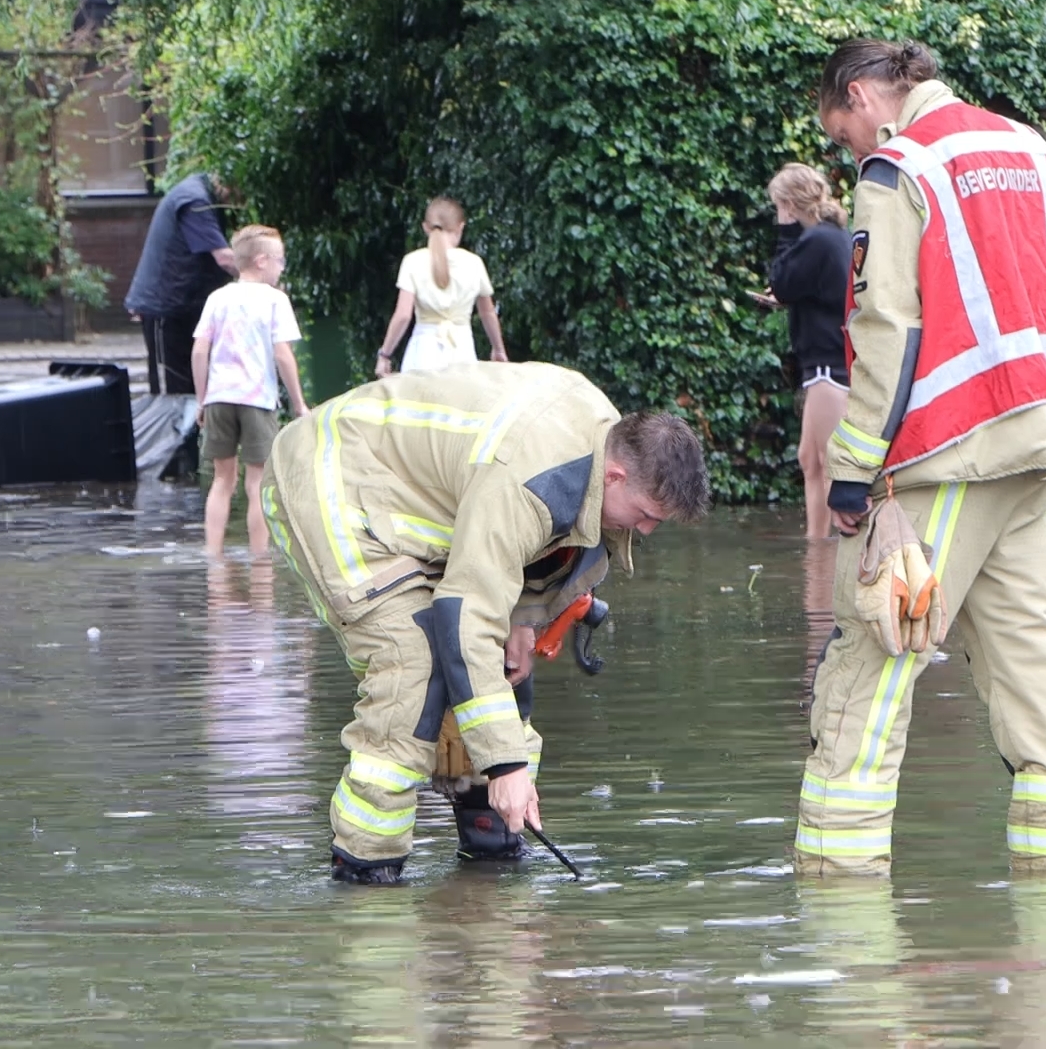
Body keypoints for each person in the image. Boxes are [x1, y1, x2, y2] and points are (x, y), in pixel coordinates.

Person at [795, 39, 1046, 878]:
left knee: (872, 666)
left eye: (843, 129)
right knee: (1035, 666)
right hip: (1039, 439)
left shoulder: (900, 168)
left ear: (862, 94)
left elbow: (886, 329)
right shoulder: (1028, 146)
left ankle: (836, 900)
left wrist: (854, 473)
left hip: (947, 452)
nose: (850, 149)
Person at [260, 363, 710, 883]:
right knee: (415, 664)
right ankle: (366, 873)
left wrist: (522, 621)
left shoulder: (600, 447)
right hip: (332, 478)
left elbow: (524, 550)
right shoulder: (527, 479)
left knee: (497, 668)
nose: (648, 532)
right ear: (615, 475)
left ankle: (489, 845)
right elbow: (466, 616)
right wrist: (507, 765)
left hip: (426, 502)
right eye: (648, 514)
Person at [190, 225, 311, 559]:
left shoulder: (218, 298)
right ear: (262, 261)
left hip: (219, 397)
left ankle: (212, 555)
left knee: (222, 479)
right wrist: (299, 404)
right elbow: (283, 355)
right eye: (279, 260)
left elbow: (200, 351)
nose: (281, 267)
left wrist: (202, 400)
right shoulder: (275, 300)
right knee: (257, 482)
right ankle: (260, 558)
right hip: (257, 400)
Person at [765, 163, 854, 539]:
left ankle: (829, 557)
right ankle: (816, 550)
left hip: (829, 368)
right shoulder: (832, 237)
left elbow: (782, 281)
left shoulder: (816, 239)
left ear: (788, 203)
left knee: (828, 464)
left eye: (778, 207)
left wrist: (786, 231)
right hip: (829, 363)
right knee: (810, 459)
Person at [125, 172, 237, 394]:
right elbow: (224, 257)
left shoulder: (201, 196)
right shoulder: (195, 201)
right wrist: (262, 281)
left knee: (191, 386)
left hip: (184, 306)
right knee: (173, 392)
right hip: (167, 309)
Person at [374, 198, 509, 376]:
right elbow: (487, 313)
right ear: (460, 227)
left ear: (425, 227)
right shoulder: (473, 263)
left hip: (422, 352)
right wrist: (498, 349)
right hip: (462, 350)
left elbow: (403, 315)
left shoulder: (413, 261)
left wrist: (384, 355)